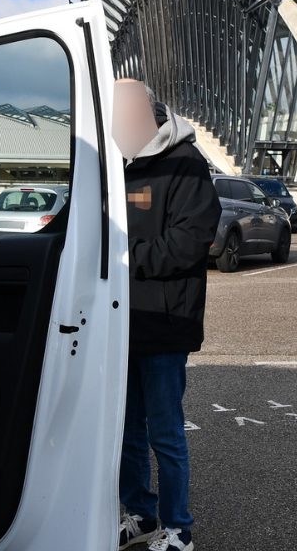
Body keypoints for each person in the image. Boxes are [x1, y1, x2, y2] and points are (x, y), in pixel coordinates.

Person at [114, 80, 222, 551]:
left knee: (165, 433)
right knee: (126, 432)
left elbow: (188, 244)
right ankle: (139, 513)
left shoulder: (187, 165)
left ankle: (178, 526)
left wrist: (120, 259)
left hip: (165, 323)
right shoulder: (118, 167)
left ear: (150, 115)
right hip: (121, 322)